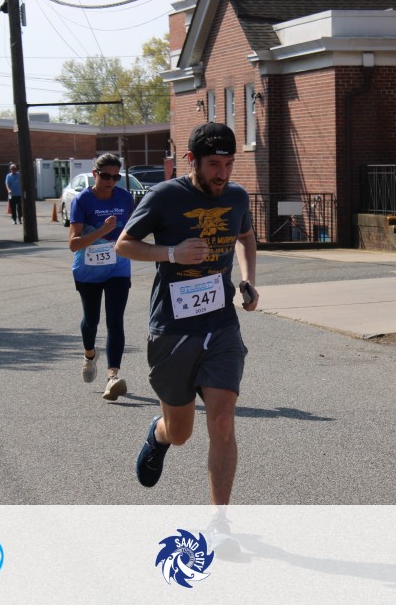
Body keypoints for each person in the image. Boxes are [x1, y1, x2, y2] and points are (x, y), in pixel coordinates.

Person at [115, 122, 259, 508]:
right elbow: (124, 244)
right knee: (180, 432)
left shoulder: (237, 197)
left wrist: (248, 279)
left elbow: (245, 236)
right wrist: (172, 253)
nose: (222, 174)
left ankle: (220, 523)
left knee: (223, 422)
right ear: (192, 159)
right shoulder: (164, 197)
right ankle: (159, 434)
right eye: (214, 165)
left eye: (229, 164)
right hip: (173, 328)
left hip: (220, 323)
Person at [69, 154, 134, 401]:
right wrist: (103, 230)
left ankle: (112, 377)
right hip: (88, 270)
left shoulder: (125, 198)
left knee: (115, 321)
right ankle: (89, 354)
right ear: (95, 174)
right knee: (91, 320)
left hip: (118, 267)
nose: (110, 181)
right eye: (106, 176)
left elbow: (134, 229)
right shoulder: (82, 200)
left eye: (116, 177)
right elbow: (74, 244)